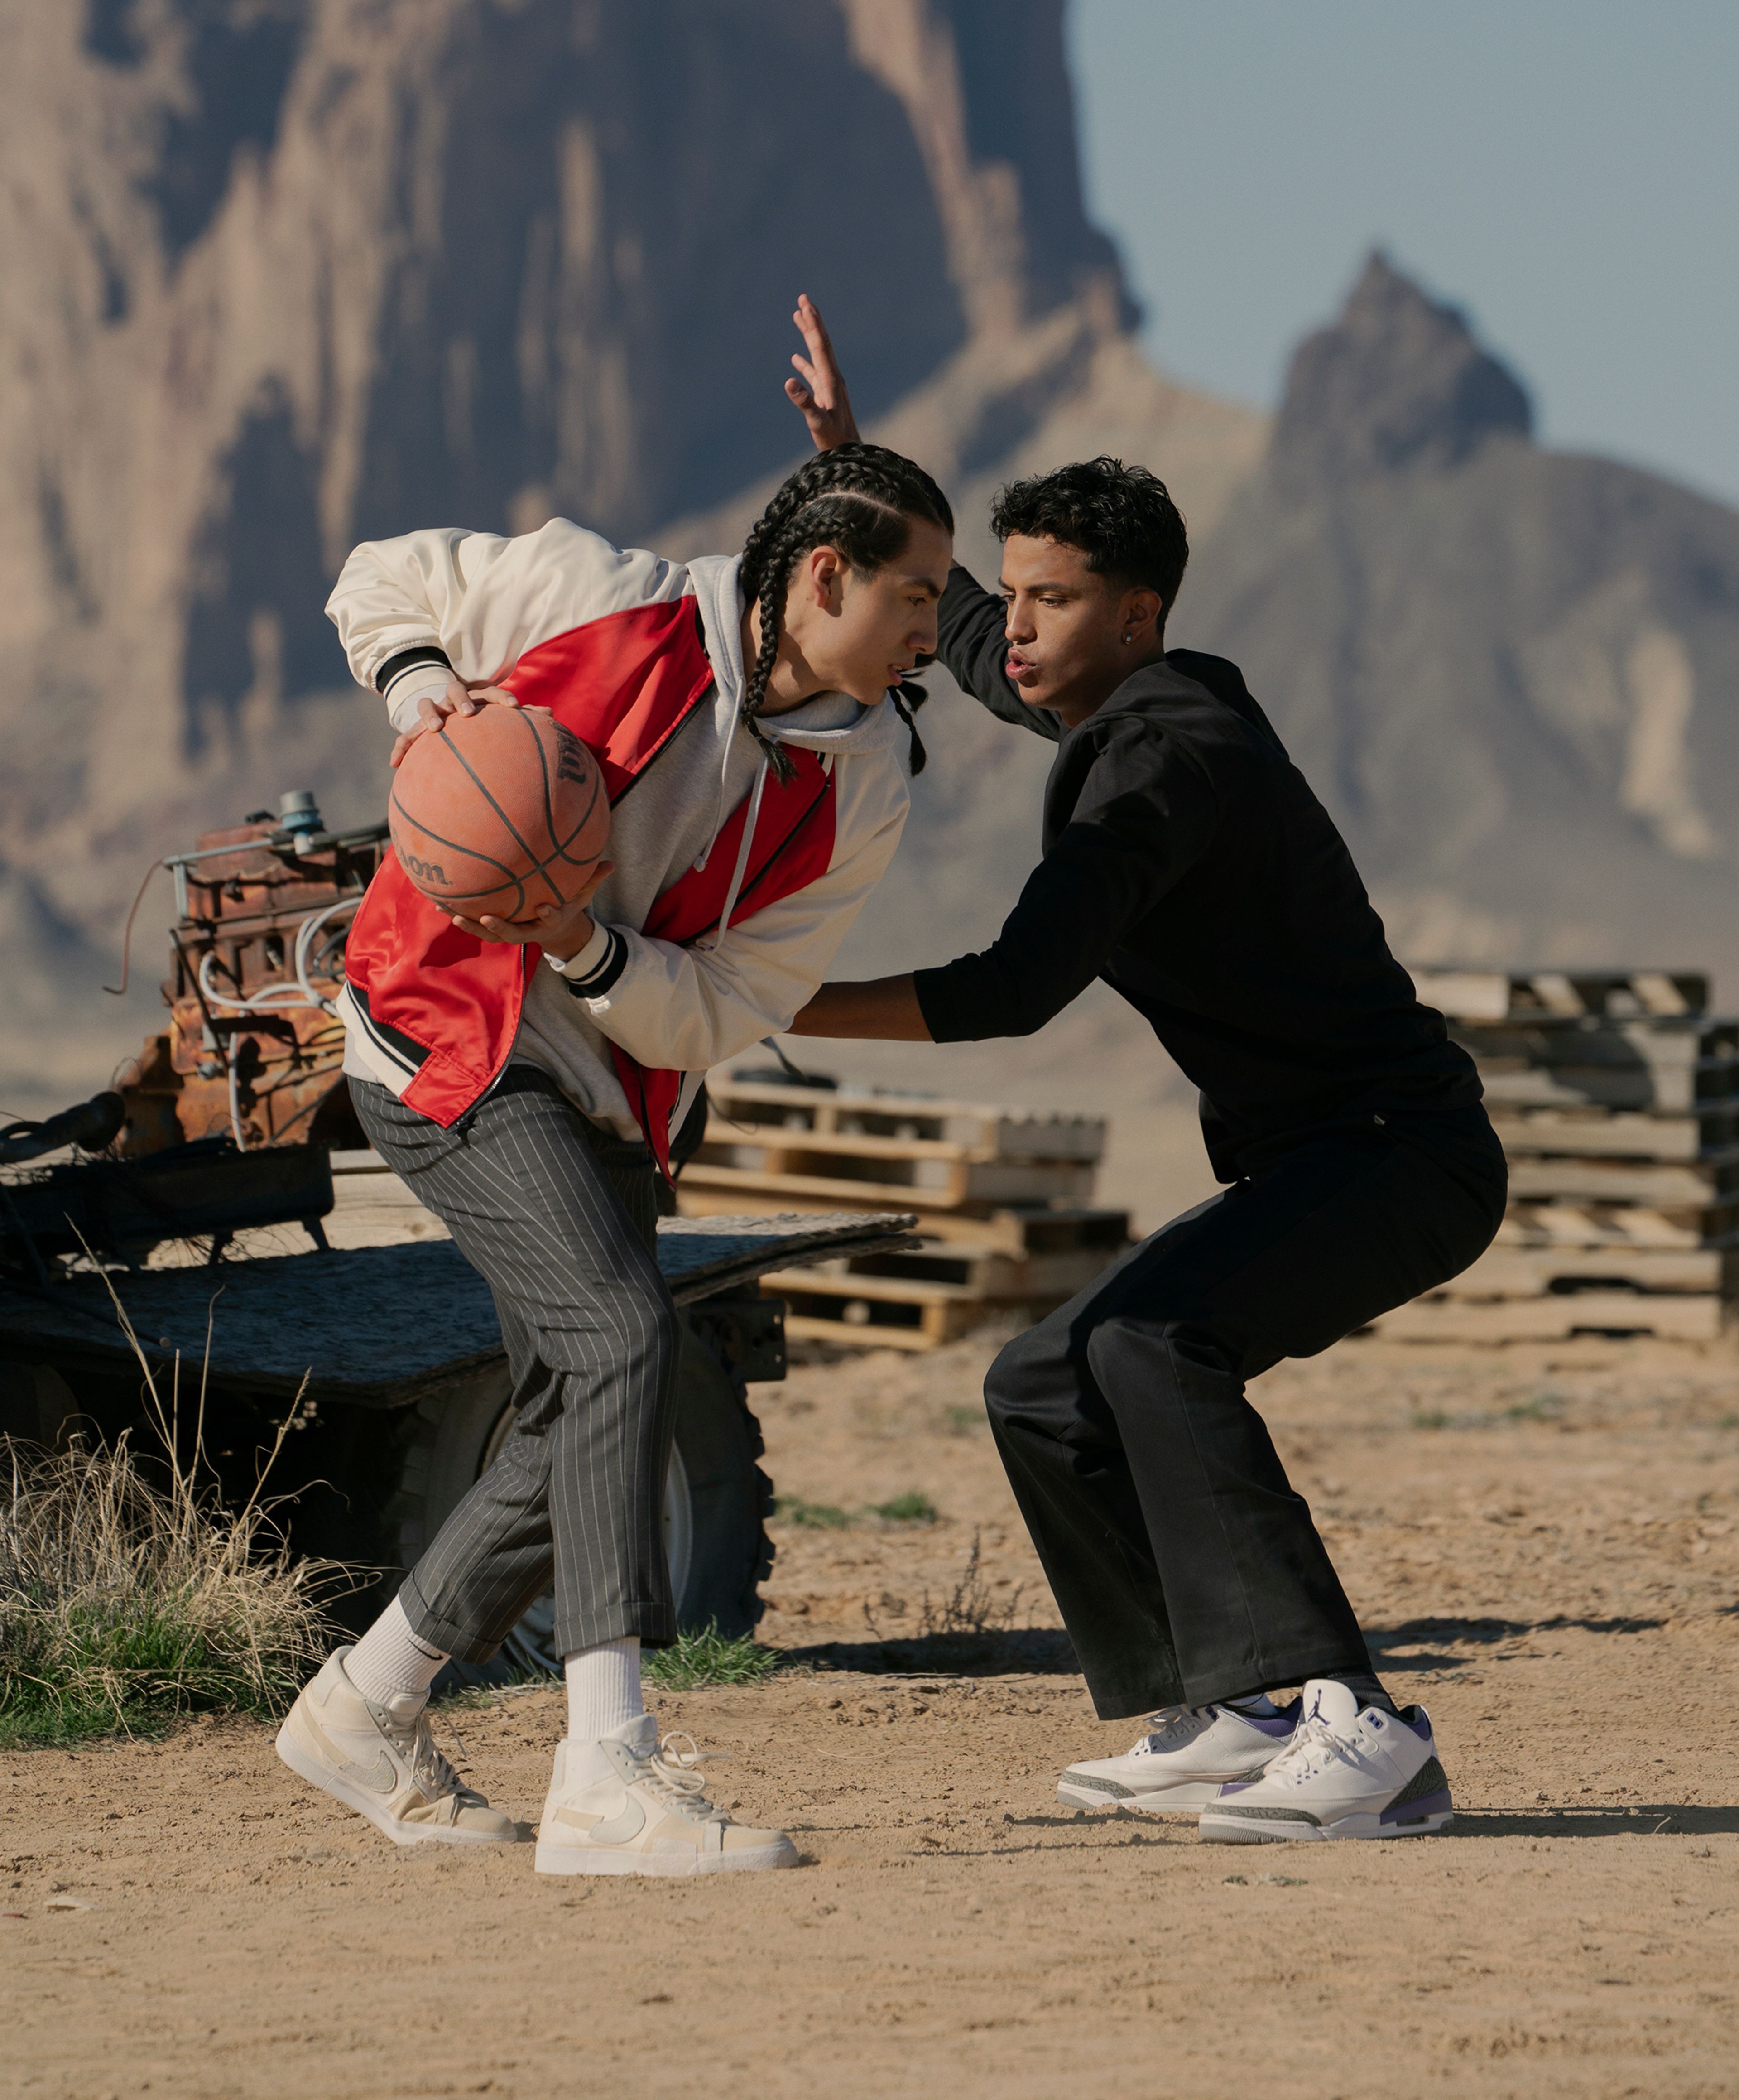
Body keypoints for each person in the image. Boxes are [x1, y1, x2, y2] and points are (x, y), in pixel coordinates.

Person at [780, 306, 1507, 1844]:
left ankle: (1362, 1727)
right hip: (1326, 1159)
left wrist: (756, 999)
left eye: (1058, 601)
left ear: (1140, 613)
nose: (1016, 627)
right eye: (1018, 593)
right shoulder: (1105, 695)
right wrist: (850, 470)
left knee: (1156, 1346)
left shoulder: (1165, 762)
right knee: (1045, 1378)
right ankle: (1228, 1711)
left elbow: (1013, 991)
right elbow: (970, 635)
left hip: (1401, 1156)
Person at [274, 392, 954, 1875]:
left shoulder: (873, 785)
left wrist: (583, 946)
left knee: (576, 1409)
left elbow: (722, 1011)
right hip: (440, 1034)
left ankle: (363, 1704)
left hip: (604, 1075)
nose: (930, 635)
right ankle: (607, 1774)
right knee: (627, 1342)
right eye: (914, 598)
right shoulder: (604, 596)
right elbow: (381, 575)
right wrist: (423, 702)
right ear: (824, 576)